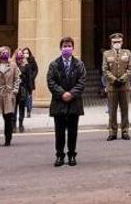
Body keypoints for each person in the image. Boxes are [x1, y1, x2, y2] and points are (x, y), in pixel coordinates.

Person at [48, 36, 86, 167]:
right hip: (59, 102)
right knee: (59, 132)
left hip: (74, 103)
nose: (67, 48)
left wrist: (71, 93)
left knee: (72, 131)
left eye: (69, 46)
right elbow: (51, 82)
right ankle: (59, 155)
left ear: (73, 48)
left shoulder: (79, 64)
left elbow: (81, 82)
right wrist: (62, 93)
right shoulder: (54, 64)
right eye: (65, 46)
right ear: (60, 48)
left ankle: (71, 155)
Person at [102, 33, 131, 141]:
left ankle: (125, 131)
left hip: (124, 86)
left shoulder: (127, 53)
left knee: (125, 110)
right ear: (111, 43)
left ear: (122, 42)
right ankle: (112, 132)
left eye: (119, 42)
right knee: (112, 110)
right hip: (112, 86)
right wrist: (114, 80)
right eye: (114, 42)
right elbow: (105, 69)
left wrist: (122, 79)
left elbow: (130, 68)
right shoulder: (106, 54)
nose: (117, 44)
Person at [16, 48, 38, 132]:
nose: (24, 55)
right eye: (23, 53)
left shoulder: (28, 64)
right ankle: (13, 123)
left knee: (23, 104)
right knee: (14, 106)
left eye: (26, 53)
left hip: (24, 87)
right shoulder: (14, 65)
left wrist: (30, 85)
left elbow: (32, 73)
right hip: (15, 89)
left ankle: (21, 121)